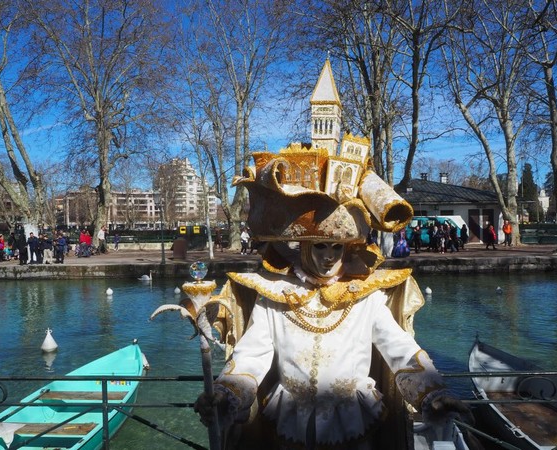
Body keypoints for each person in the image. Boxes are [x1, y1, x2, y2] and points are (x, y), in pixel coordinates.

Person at [193, 148, 471, 449]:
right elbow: (251, 357)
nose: (328, 257)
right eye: (320, 246)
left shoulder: (365, 298)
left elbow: (400, 349)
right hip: (292, 424)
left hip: (353, 423)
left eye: (336, 248)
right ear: (302, 248)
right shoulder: (275, 298)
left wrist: (433, 393)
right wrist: (226, 393)